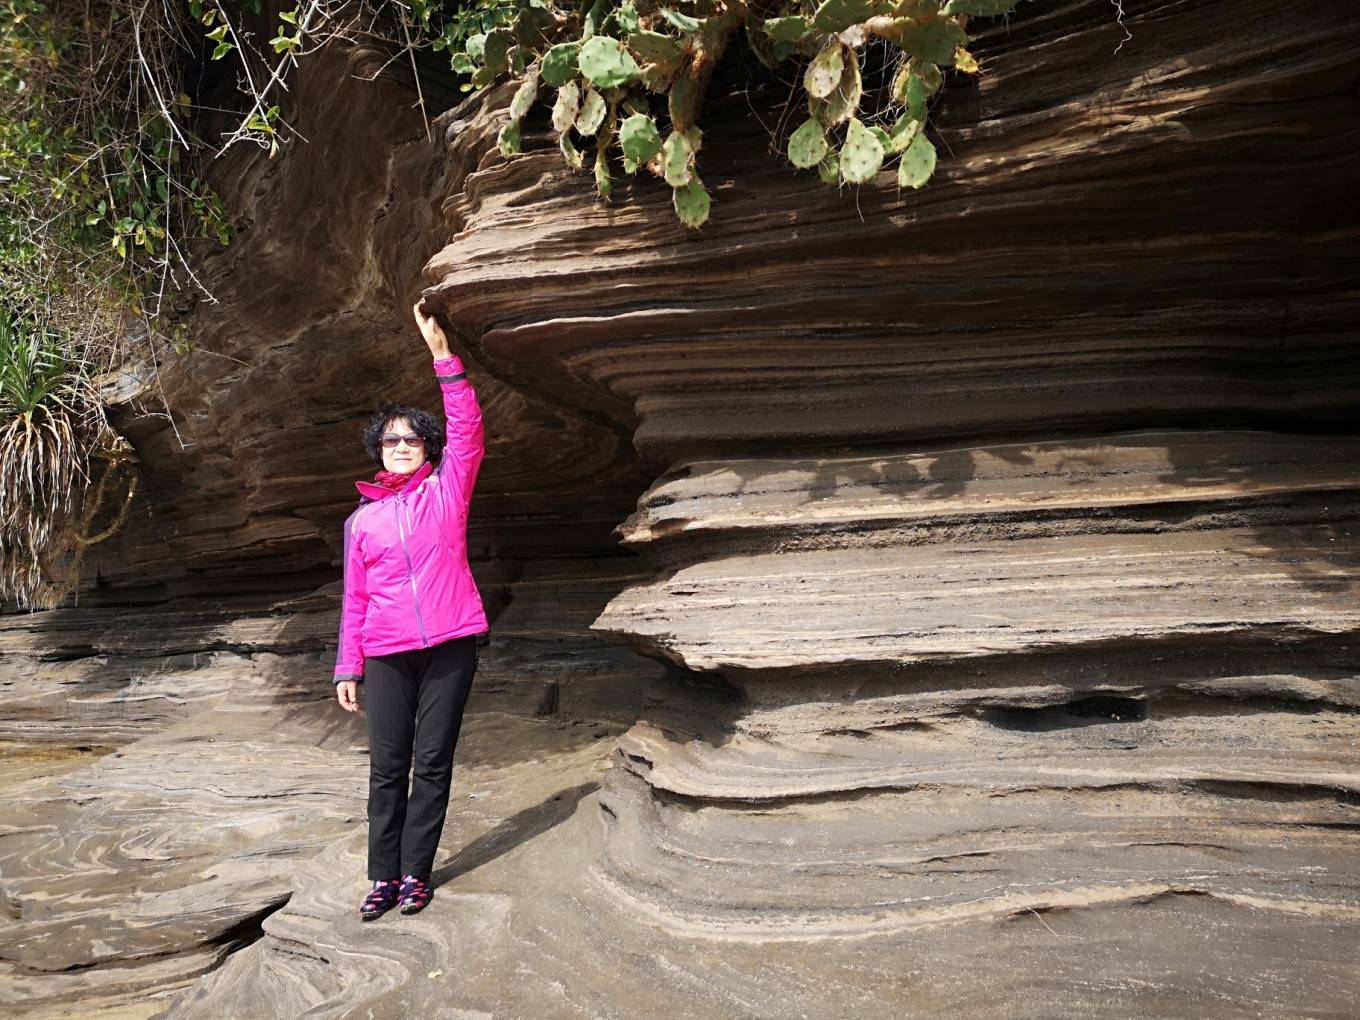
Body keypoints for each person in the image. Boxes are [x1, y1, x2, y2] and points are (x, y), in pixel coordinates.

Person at [332, 298, 488, 921]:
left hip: (451, 643)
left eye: (413, 438)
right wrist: (349, 665)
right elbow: (355, 598)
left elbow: (469, 429)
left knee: (432, 763)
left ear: (428, 448)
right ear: (378, 448)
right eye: (391, 438)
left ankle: (416, 875)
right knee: (387, 767)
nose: (401, 444)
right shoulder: (361, 521)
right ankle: (382, 877)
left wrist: (442, 357)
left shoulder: (448, 489)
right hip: (388, 649)